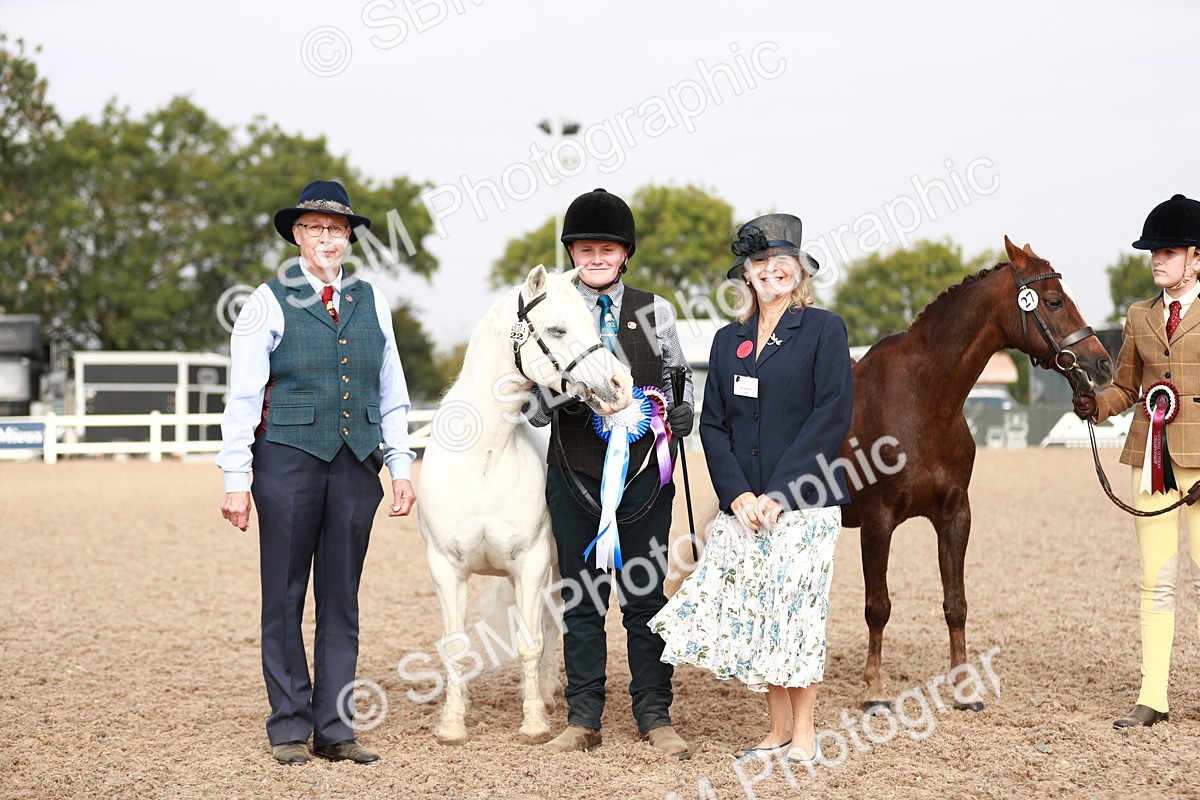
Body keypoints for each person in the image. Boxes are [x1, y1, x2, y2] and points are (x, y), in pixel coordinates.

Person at [217, 180, 417, 764]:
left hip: (357, 464)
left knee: (341, 598)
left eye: (336, 229)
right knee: (283, 595)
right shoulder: (266, 299)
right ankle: (287, 724)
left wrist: (400, 466)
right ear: (298, 235)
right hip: (286, 459)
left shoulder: (372, 300)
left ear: (349, 237)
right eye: (314, 228)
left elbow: (392, 392)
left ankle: (333, 727)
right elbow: (243, 397)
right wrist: (236, 480)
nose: (326, 238)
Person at [650, 213, 853, 766]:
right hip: (745, 508)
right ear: (746, 273)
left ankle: (806, 734)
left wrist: (781, 492)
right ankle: (777, 730)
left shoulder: (824, 330)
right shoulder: (727, 340)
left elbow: (830, 415)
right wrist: (737, 494)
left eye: (780, 260)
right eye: (759, 262)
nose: (770, 270)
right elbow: (714, 423)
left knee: (798, 614)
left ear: (800, 269)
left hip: (804, 503)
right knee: (763, 615)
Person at [524, 188, 695, 758]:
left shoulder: (655, 309)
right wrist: (554, 398)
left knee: (645, 597)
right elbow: (528, 401)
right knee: (581, 598)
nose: (596, 257)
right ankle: (584, 716)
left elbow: (676, 376)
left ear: (625, 254)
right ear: (572, 252)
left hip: (645, 476)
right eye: (586, 248)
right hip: (573, 471)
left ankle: (654, 712)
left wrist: (681, 408)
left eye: (608, 248)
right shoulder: (550, 307)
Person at [1073, 193, 1200, 729]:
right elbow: (1127, 385)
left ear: (1196, 257)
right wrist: (1097, 405)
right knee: (1155, 579)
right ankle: (1153, 696)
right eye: (1153, 251)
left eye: (1167, 251)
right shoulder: (1139, 315)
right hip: (1151, 460)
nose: (1156, 260)